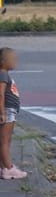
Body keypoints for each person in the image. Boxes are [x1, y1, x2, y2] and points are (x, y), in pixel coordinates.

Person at [0, 47, 24, 180]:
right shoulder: (2, 74)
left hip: (10, 110)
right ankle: (9, 169)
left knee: (6, 140)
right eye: (12, 59)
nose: (15, 61)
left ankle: (3, 167)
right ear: (3, 61)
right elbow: (0, 94)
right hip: (7, 110)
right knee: (4, 140)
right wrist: (2, 112)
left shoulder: (4, 73)